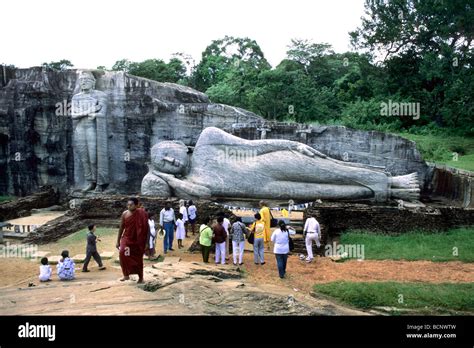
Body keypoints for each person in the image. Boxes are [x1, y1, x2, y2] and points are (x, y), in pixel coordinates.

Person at [116, 197, 149, 283]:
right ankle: (126, 275)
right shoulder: (125, 214)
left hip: (138, 240)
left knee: (138, 259)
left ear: (137, 205)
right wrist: (118, 241)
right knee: (123, 253)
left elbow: (147, 229)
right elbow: (121, 227)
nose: (129, 206)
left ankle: (141, 277)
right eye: (128, 205)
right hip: (126, 238)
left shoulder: (142, 214)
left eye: (131, 205)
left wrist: (147, 243)